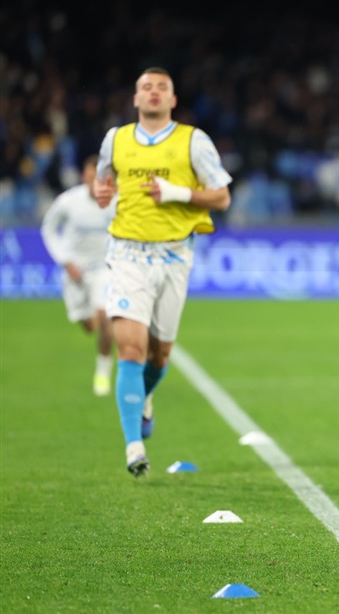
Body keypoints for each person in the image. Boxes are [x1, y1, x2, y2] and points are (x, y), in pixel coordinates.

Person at [93, 67, 232, 477]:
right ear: (136, 98)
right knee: (130, 349)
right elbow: (103, 184)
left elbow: (221, 197)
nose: (153, 93)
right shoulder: (115, 139)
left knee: (159, 355)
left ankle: (144, 398)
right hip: (127, 254)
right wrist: (101, 192)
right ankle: (133, 446)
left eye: (162, 88)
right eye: (146, 87)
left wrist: (175, 193)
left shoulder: (193, 141)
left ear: (173, 100)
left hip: (174, 256)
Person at [40, 155, 116, 395]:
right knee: (90, 326)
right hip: (76, 272)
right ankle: (93, 314)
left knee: (105, 316)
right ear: (84, 177)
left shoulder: (117, 201)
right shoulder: (68, 201)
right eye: (91, 177)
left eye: (100, 178)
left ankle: (103, 372)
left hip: (104, 268)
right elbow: (48, 228)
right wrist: (65, 260)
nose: (96, 183)